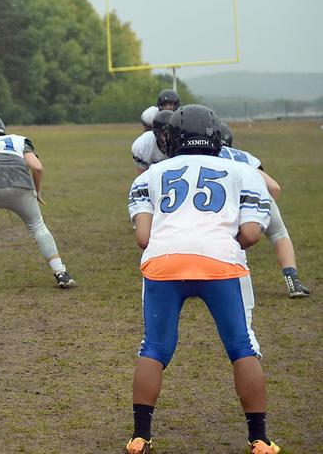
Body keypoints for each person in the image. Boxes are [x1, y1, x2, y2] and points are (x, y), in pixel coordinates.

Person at [125, 105, 280, 454]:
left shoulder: (151, 174)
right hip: (220, 264)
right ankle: (259, 439)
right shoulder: (243, 171)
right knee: (242, 347)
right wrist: (220, 245)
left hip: (163, 263)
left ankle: (139, 437)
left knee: (154, 348)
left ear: (172, 138)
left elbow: (143, 238)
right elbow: (252, 234)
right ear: (215, 135)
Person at [0, 115, 75, 290]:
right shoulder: (18, 140)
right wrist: (36, 192)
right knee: (38, 227)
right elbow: (37, 167)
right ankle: (61, 272)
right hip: (22, 187)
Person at [217, 122, 310, 298]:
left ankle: (212, 278)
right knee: (279, 234)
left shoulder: (208, 157)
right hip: (256, 197)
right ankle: (293, 282)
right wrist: (260, 210)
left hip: (224, 202)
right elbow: (274, 187)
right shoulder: (244, 157)